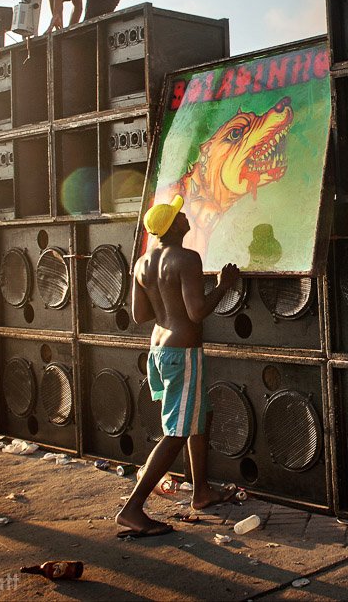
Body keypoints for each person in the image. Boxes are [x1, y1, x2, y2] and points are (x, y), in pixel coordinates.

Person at [115, 196, 241, 538]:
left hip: (158, 349)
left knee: (201, 415)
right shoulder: (186, 258)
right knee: (177, 431)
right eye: (179, 215)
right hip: (183, 352)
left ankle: (200, 492)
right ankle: (132, 509)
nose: (185, 215)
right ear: (173, 227)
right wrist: (223, 287)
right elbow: (197, 312)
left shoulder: (142, 263)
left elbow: (141, 315)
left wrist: (166, 304)